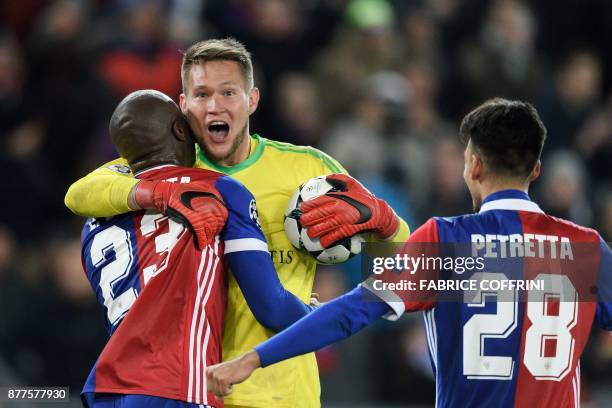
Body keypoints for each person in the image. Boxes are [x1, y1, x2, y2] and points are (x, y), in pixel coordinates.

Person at [65, 38, 411, 407]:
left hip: (284, 395)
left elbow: (410, 264)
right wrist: (157, 194)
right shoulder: (174, 168)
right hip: (197, 392)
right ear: (183, 107)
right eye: (201, 95)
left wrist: (386, 221)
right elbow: (80, 192)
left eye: (228, 92)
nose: (214, 106)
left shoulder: (311, 168)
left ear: (252, 100)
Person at [206, 98, 612, 407]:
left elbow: (351, 312)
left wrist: (253, 359)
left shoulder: (445, 241)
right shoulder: (587, 247)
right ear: (536, 169)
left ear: (472, 165)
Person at [81, 90, 315, 408]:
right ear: (181, 130)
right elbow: (270, 308)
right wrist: (319, 316)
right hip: (179, 385)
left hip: (109, 389)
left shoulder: (93, 222)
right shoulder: (216, 189)